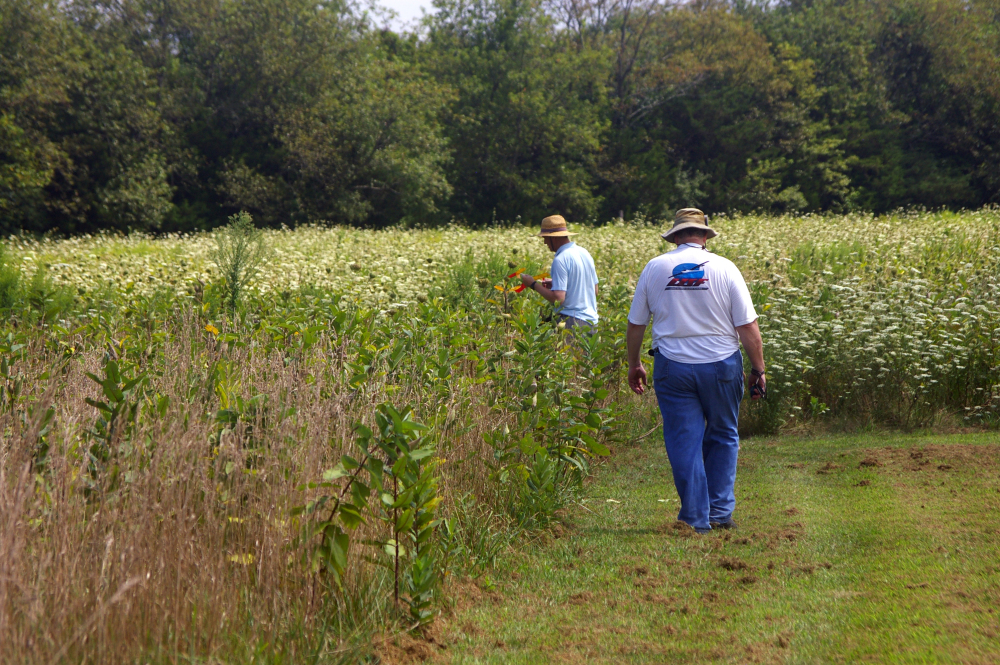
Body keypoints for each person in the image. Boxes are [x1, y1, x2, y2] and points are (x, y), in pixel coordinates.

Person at [626, 208, 765, 533]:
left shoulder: (654, 267)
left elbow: (636, 324)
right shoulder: (725, 268)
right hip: (721, 365)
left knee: (684, 439)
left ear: (675, 236)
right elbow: (747, 326)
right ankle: (719, 512)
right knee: (723, 434)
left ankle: (695, 517)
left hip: (673, 367)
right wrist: (758, 369)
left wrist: (634, 364)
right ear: (704, 236)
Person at [519, 215, 599, 331]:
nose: (545, 242)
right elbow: (594, 290)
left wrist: (532, 284)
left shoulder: (560, 259)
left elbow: (558, 299)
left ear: (554, 238)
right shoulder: (584, 253)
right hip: (592, 323)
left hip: (571, 322)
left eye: (546, 238)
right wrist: (558, 284)